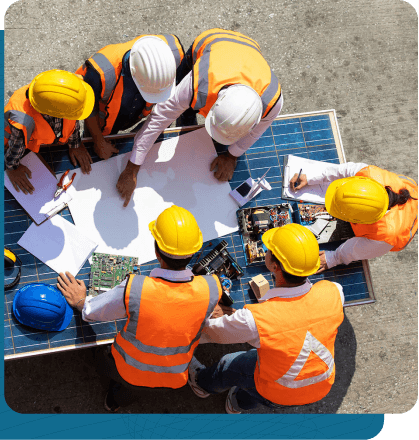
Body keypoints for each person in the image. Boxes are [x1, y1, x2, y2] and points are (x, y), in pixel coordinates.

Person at [56, 205, 223, 412]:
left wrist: (81, 301)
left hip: (128, 369)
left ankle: (113, 399)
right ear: (194, 252)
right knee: (136, 391)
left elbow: (92, 312)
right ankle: (115, 402)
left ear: (156, 251)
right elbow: (213, 315)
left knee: (105, 362)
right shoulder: (211, 288)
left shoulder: (136, 288)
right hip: (175, 376)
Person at [187, 223, 345, 413]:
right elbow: (298, 319)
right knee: (257, 392)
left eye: (268, 250)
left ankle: (201, 384)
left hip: (278, 389)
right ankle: (237, 404)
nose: (265, 252)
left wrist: (206, 317)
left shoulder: (257, 320)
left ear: (275, 266)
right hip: (321, 386)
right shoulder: (334, 291)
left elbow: (214, 334)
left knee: (230, 365)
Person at [117, 28, 284, 207]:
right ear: (215, 104)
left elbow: (253, 134)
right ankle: (186, 119)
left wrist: (231, 156)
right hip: (213, 41)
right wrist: (132, 168)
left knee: (190, 107)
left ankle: (187, 127)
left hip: (250, 53)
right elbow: (161, 116)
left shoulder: (272, 102)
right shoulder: (199, 83)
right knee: (185, 105)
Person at [75, 34, 184, 182]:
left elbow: (170, 105)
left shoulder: (174, 56)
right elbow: (88, 108)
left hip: (135, 115)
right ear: (133, 74)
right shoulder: (100, 73)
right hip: (101, 122)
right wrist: (98, 141)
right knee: (97, 156)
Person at [289, 163, 418, 272]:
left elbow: (355, 250)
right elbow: (342, 170)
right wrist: (311, 177)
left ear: (358, 220)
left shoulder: (386, 236)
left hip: (404, 224)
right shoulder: (370, 174)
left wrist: (333, 258)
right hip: (409, 188)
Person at [5, 69, 95, 194]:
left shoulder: (69, 91)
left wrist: (75, 144)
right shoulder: (22, 123)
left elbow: (71, 119)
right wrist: (12, 167)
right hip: (10, 145)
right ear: (56, 113)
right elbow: (15, 146)